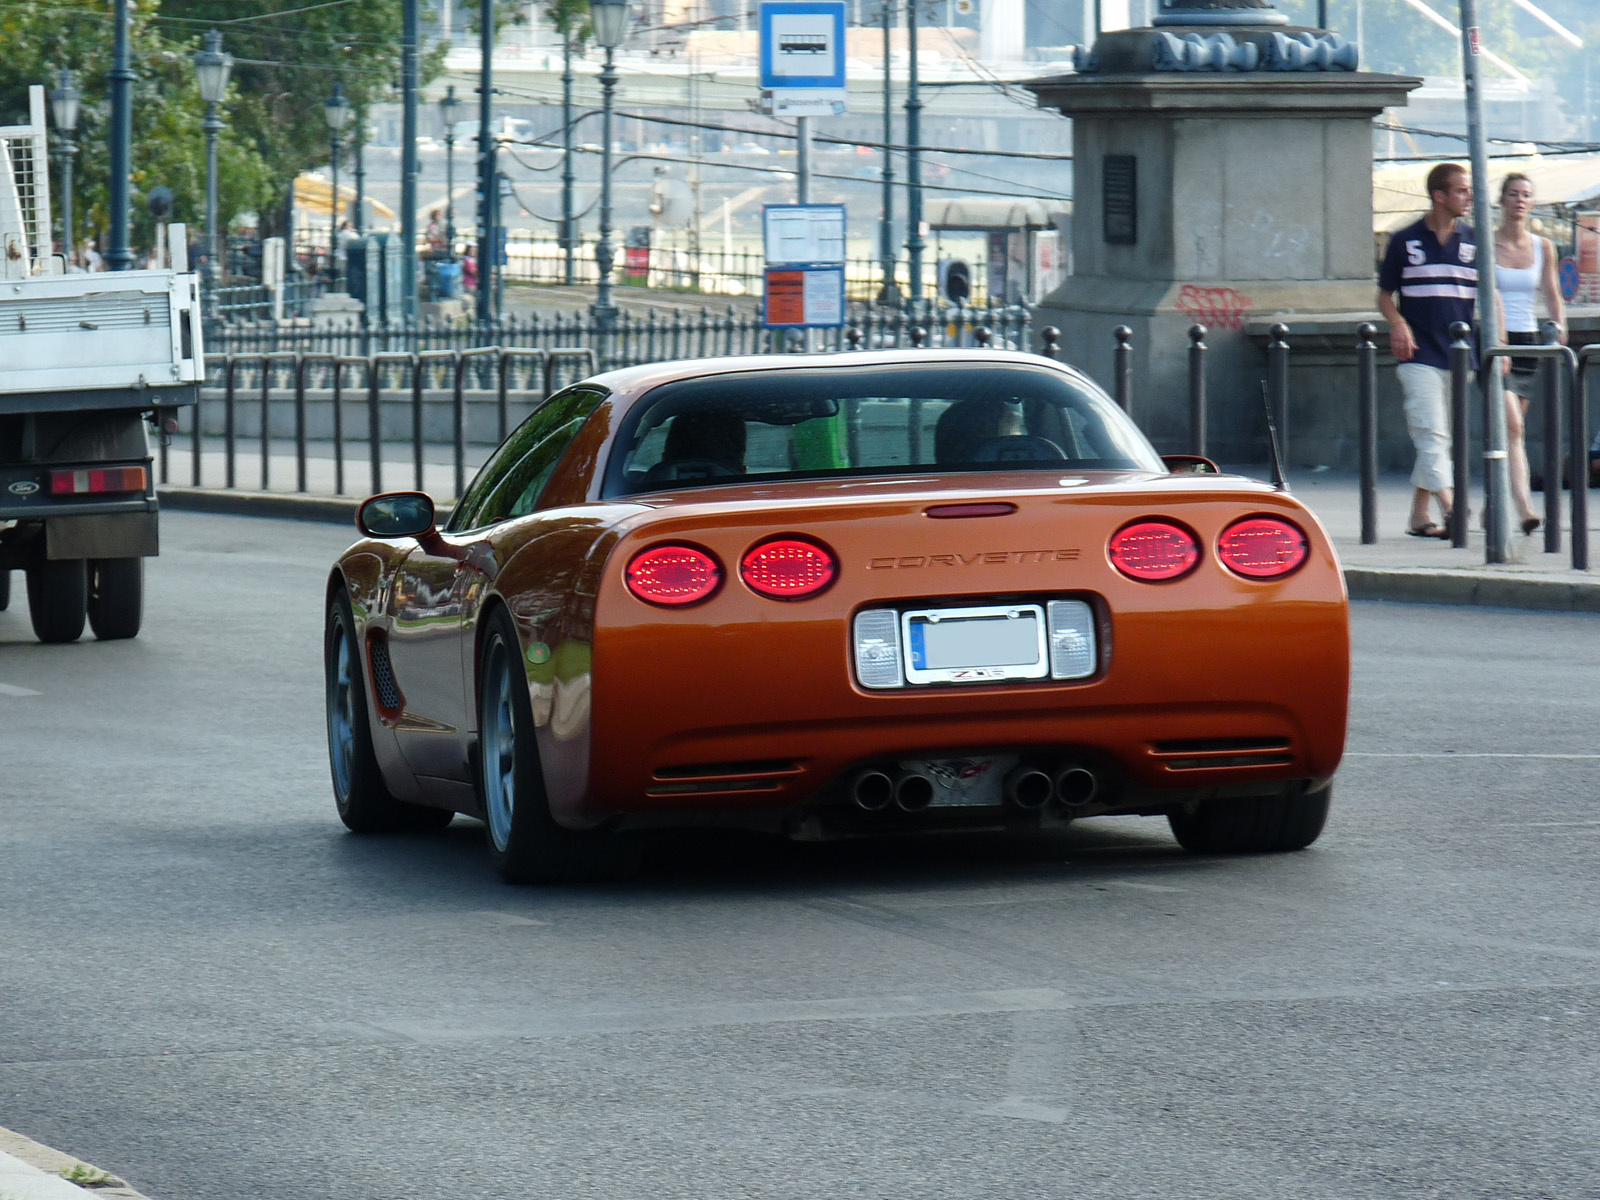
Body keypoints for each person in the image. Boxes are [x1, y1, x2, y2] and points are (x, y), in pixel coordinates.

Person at [1378, 162, 1480, 539]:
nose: (1468, 196)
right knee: (1431, 433)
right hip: (1417, 354)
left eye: (1468, 190)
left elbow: (1489, 298)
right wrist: (1398, 323)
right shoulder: (1405, 241)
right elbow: (1385, 295)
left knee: (1439, 437)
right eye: (1461, 190)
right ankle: (1453, 509)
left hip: (1458, 354)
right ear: (1439, 196)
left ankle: (1419, 516)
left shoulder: (1473, 242)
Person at [1494, 172, 1567, 536]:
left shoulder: (1543, 247)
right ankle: (1524, 508)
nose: (1520, 200)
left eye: (1526, 195)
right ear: (1502, 201)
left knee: (1510, 433)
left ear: (1532, 203)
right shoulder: (1486, 244)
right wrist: (1498, 336)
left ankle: (1497, 501)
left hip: (1529, 341)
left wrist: (1559, 324)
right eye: (1513, 194)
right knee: (1513, 426)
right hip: (1493, 340)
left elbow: (1552, 292)